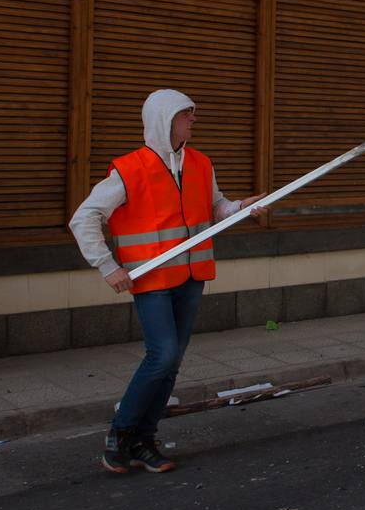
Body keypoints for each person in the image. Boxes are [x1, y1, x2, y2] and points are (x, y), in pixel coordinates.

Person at [70, 90, 267, 474]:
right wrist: (107, 266)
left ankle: (144, 440)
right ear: (164, 119)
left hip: (192, 276)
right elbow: (84, 218)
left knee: (172, 362)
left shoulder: (200, 163)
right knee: (161, 355)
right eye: (186, 115)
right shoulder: (129, 169)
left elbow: (216, 208)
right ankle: (120, 434)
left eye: (193, 114)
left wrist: (243, 207)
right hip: (153, 278)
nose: (193, 120)